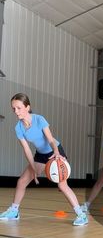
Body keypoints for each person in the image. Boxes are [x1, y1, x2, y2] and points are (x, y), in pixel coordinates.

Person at [0, 93, 87, 226]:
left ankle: (81, 215)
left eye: (18, 108)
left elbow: (51, 140)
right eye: (13, 109)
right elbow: (27, 150)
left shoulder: (39, 119)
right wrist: (34, 169)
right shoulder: (18, 128)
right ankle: (14, 211)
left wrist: (57, 153)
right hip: (40, 155)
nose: (15, 111)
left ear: (27, 107)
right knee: (22, 181)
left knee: (62, 186)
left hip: (55, 151)